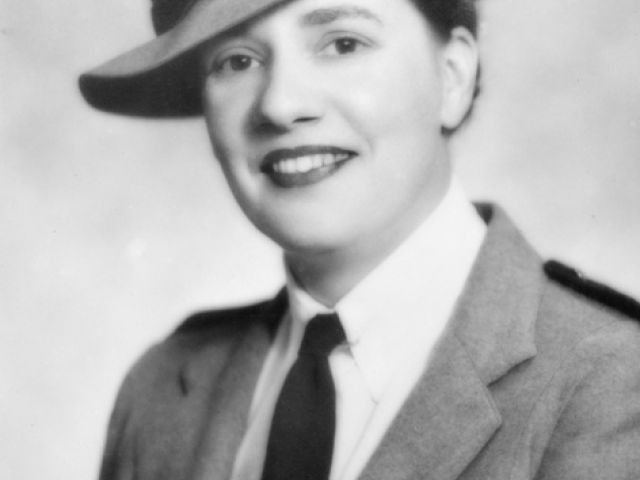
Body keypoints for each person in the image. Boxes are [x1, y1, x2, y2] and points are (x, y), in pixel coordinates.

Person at [79, 0, 640, 479]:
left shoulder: (614, 380)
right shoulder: (158, 389)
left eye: (343, 44)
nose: (280, 104)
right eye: (237, 60)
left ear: (452, 77)